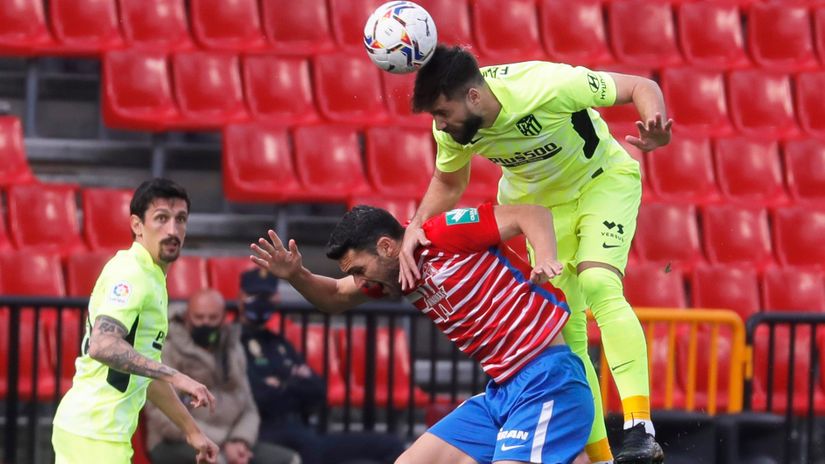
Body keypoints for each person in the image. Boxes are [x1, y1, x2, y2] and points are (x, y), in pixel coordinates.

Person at [398, 45, 673, 464]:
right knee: (567, 328)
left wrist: (654, 124)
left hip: (600, 182)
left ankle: (639, 429)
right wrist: (415, 226)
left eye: (441, 112)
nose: (439, 124)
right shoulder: (453, 129)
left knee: (599, 282)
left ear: (473, 97)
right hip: (540, 206)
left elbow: (641, 85)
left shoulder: (545, 86)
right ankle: (601, 456)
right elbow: (449, 183)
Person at [250, 202, 593, 464]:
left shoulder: (441, 234)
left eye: (358, 270)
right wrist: (295, 275)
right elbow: (336, 296)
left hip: (546, 381)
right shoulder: (397, 277)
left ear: (386, 247)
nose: (359, 282)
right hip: (501, 393)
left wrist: (546, 260)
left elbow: (532, 214)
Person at [53, 178, 219, 464]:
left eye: (180, 219)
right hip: (95, 435)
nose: (172, 230)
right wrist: (177, 376)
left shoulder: (152, 276)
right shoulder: (132, 273)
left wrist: (192, 431)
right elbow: (102, 345)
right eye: (161, 219)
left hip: (96, 432)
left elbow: (144, 373)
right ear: (137, 225)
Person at [238, 267, 405, 464]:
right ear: (241, 297)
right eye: (255, 295)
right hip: (265, 432)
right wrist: (293, 380)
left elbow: (318, 389)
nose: (261, 301)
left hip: (304, 430)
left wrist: (282, 384)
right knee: (310, 448)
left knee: (390, 446)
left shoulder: (278, 343)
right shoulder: (234, 342)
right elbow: (259, 398)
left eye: (266, 295)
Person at [145, 288, 301, 464]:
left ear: (224, 318)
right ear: (187, 316)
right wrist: (222, 442)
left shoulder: (233, 346)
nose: (205, 323)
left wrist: (240, 440)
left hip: (232, 440)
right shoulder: (168, 348)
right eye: (199, 317)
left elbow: (249, 406)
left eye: (213, 318)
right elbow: (163, 416)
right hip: (176, 441)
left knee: (289, 460)